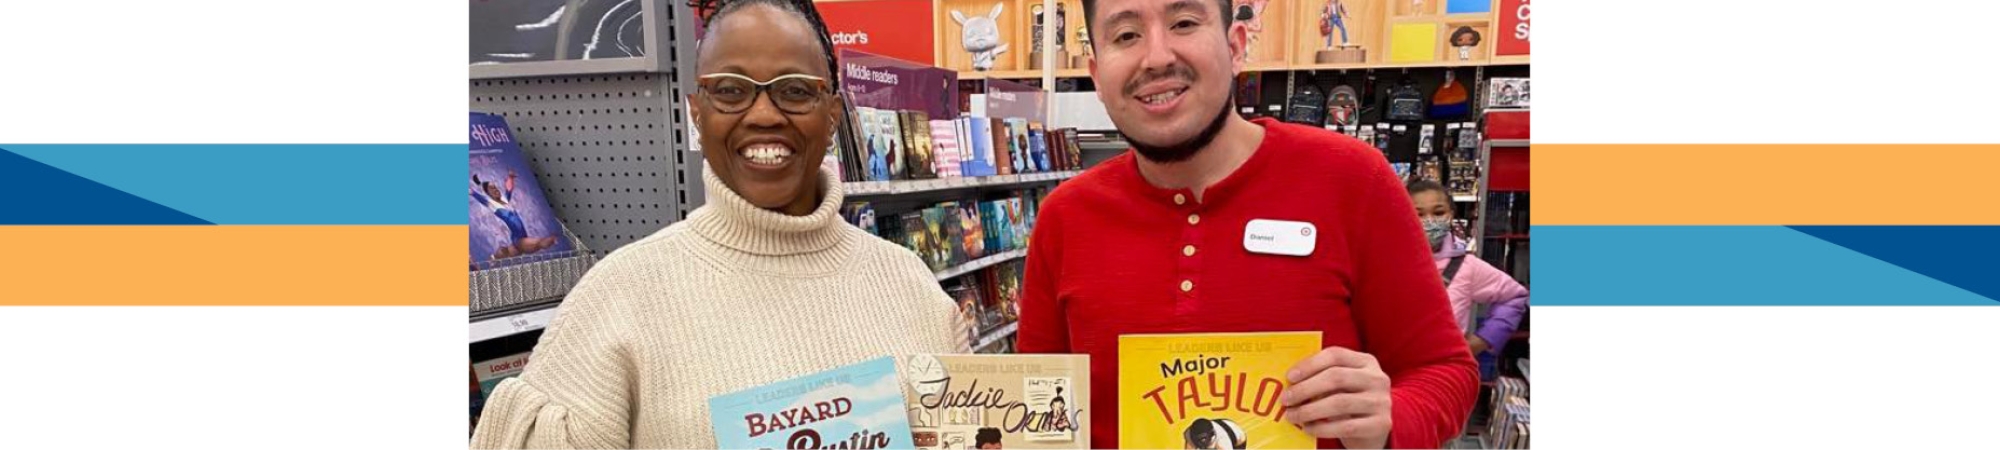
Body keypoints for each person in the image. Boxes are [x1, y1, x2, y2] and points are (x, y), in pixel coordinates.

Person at [468, 0, 968, 447]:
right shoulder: (621, 296)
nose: (765, 114)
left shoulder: (909, 284)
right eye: (730, 91)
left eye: (795, 91)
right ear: (697, 111)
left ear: (833, 113)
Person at [1017, 0, 1480, 448]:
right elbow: (1035, 407)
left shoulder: (1354, 180)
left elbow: (1444, 371)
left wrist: (1389, 421)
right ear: (1098, 75)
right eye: (1126, 35)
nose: (1156, 56)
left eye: (1183, 22)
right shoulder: (1064, 218)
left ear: (1236, 45)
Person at [1408, 180, 1527, 377]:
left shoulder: (1467, 267)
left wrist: (1482, 340)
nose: (1428, 220)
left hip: (1442, 376)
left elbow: (1515, 297)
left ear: (1451, 215)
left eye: (1438, 213)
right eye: (1418, 214)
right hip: (1391, 375)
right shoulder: (1383, 262)